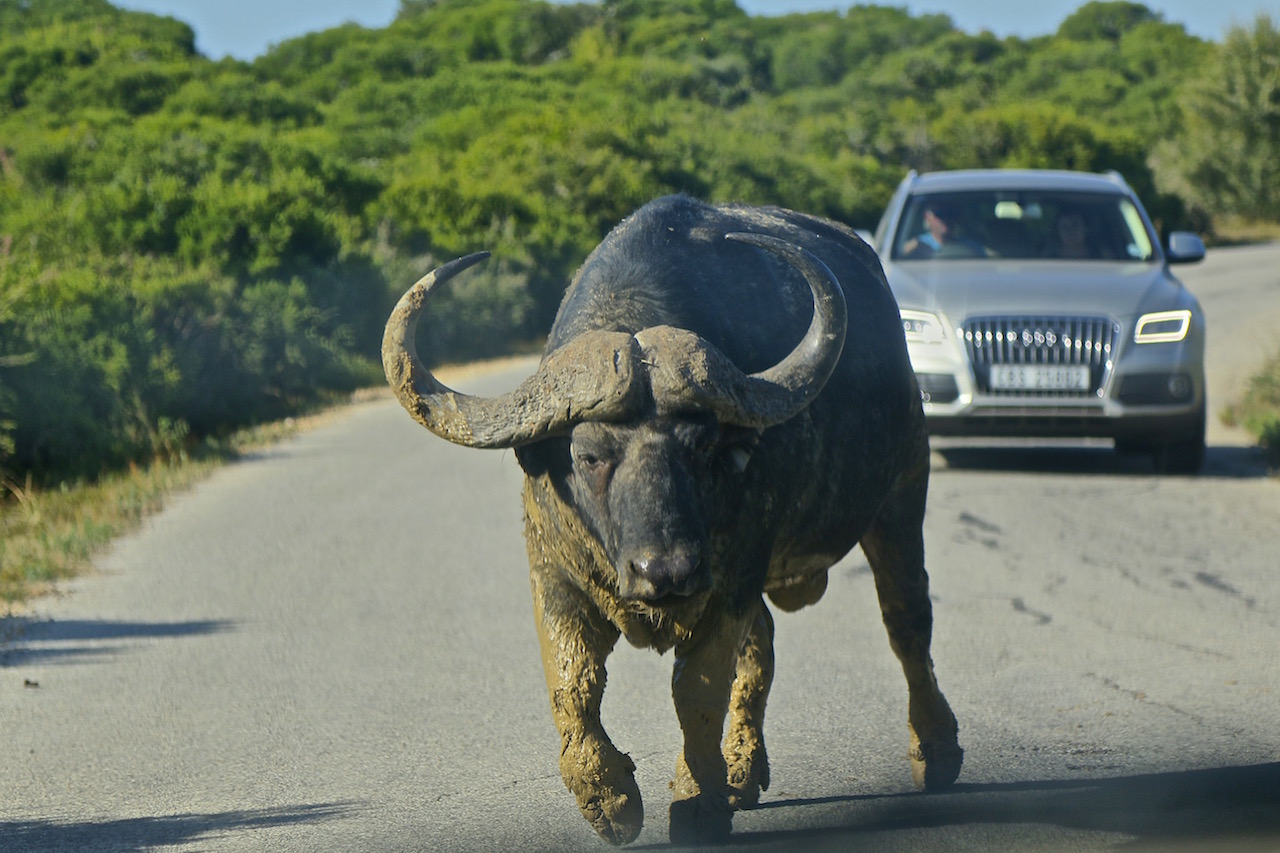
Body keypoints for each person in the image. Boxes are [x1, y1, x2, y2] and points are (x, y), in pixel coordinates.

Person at [902, 202, 983, 258]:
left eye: (950, 214)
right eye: (940, 214)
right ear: (927, 218)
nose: (946, 219)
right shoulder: (914, 246)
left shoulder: (971, 248)